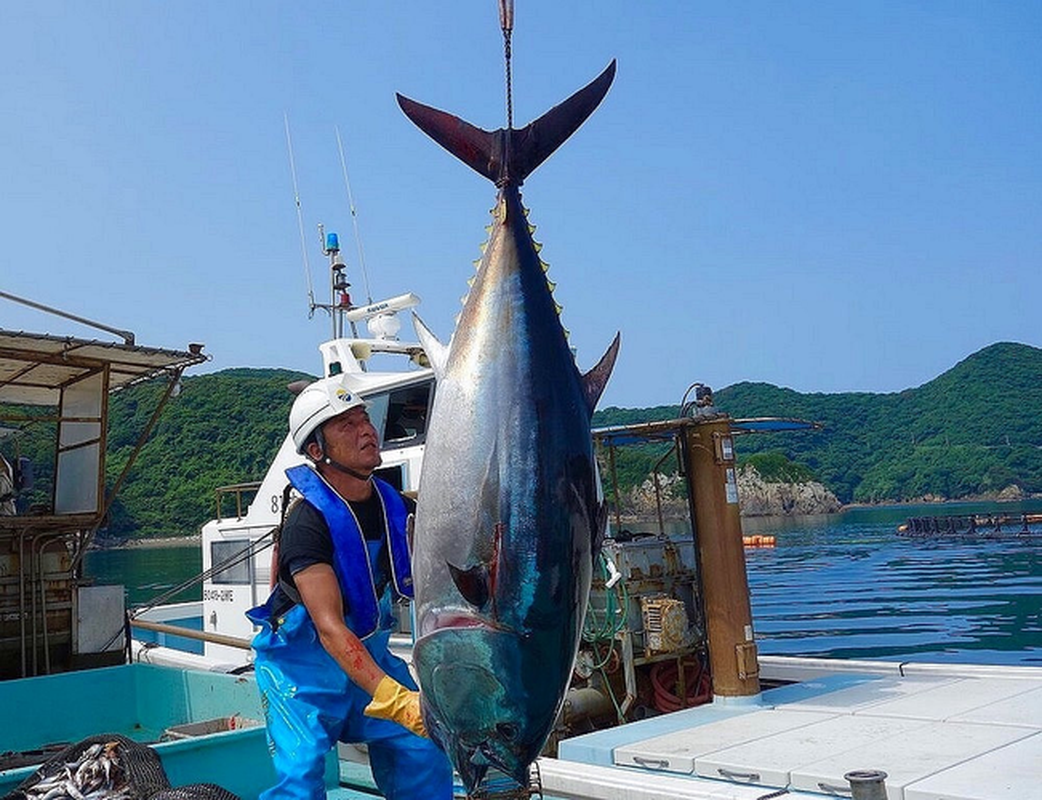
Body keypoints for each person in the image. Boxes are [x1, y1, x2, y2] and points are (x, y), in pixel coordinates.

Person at [247, 378, 453, 800]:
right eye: (345, 425)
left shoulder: (397, 508)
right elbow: (329, 628)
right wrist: (395, 699)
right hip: (300, 673)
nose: (366, 430)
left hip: (368, 657)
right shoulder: (307, 524)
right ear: (317, 451)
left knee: (425, 745)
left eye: (364, 418)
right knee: (301, 778)